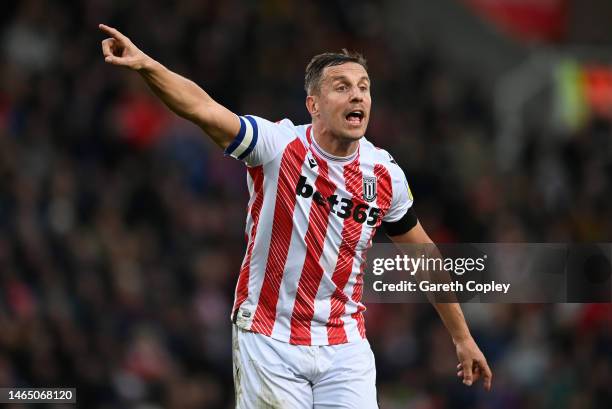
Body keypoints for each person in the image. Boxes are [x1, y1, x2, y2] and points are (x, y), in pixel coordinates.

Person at [99, 23, 493, 408]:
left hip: (344, 345)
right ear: (314, 104)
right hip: (270, 337)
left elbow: (422, 253)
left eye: (363, 88)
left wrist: (461, 337)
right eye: (342, 87)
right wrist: (147, 65)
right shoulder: (278, 145)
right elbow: (203, 109)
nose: (357, 96)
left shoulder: (384, 174)